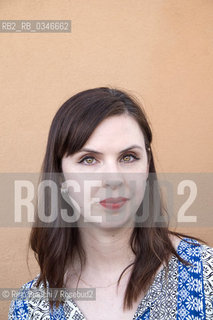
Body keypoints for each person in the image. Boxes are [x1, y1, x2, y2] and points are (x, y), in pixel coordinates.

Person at [8, 87, 213, 319]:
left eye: (128, 157)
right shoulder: (31, 307)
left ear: (147, 166)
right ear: (60, 177)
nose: (113, 179)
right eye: (88, 160)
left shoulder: (206, 273)